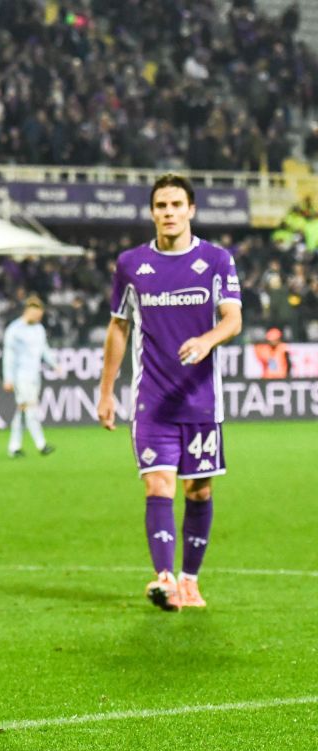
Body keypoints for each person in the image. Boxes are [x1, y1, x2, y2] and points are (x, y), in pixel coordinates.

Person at [97, 173, 243, 611]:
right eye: (161, 205)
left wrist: (207, 340)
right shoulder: (131, 264)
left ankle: (190, 581)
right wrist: (106, 391)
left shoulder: (216, 260)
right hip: (153, 403)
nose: (169, 212)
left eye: (177, 204)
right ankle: (165, 580)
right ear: (152, 212)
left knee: (198, 491)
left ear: (191, 209)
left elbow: (233, 318)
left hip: (201, 402)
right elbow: (118, 327)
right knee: (158, 485)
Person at [2, 296, 58, 457]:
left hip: (35, 375)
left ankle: (14, 447)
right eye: (37, 314)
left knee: (22, 411)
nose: (39, 318)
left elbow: (44, 349)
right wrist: (8, 378)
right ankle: (42, 444)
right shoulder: (14, 330)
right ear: (28, 311)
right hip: (21, 377)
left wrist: (55, 364)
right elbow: (9, 356)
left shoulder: (39, 329)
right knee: (30, 408)